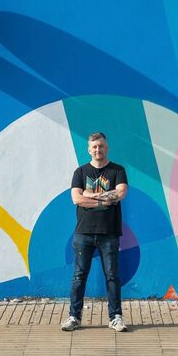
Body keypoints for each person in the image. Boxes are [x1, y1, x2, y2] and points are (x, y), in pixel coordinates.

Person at [61, 132, 129, 332]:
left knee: (112, 276)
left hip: (109, 232)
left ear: (106, 148)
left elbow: (121, 193)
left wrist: (89, 195)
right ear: (89, 150)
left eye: (101, 146)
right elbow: (76, 199)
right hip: (84, 232)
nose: (98, 149)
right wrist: (105, 200)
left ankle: (115, 317)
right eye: (94, 147)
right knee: (79, 276)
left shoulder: (118, 170)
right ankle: (74, 317)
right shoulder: (80, 172)